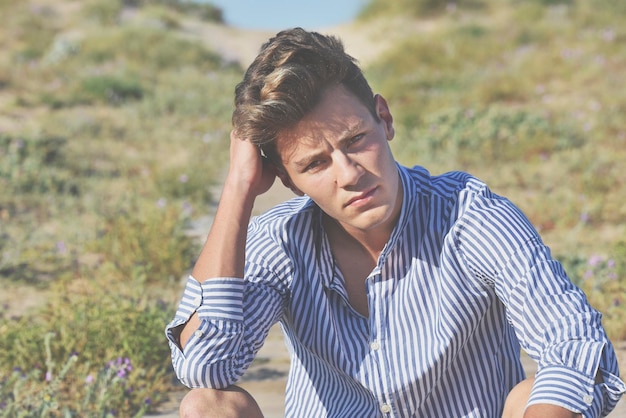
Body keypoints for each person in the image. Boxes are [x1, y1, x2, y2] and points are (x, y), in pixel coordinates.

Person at [166, 27, 625, 417]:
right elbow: (208, 368)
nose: (349, 175)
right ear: (287, 179)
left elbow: (577, 346)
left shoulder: (470, 215)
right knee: (208, 406)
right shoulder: (281, 240)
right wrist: (238, 189)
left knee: (533, 397)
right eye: (316, 164)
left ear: (384, 119)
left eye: (356, 139)